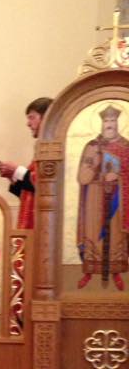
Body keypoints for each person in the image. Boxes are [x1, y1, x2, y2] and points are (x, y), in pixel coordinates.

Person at [76, 104, 129, 290]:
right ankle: (89, 272)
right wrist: (97, 169)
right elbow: (82, 176)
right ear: (101, 123)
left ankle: (116, 273)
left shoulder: (126, 146)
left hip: (118, 199)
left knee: (115, 236)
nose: (110, 124)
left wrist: (119, 176)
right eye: (106, 120)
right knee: (93, 234)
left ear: (117, 123)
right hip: (94, 198)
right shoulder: (92, 146)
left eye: (113, 120)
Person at [0, 97, 53, 229]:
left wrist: (17, 170)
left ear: (47, 118)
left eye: (32, 117)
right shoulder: (42, 146)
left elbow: (47, 185)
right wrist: (12, 177)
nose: (28, 123)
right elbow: (29, 192)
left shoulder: (54, 147)